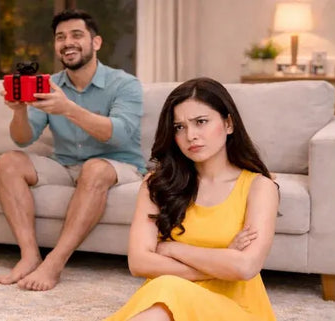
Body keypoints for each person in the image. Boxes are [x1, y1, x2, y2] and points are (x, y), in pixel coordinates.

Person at [0, 9, 145, 291]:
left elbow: (120, 134)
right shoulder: (50, 86)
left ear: (96, 42)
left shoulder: (124, 84)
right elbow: (23, 140)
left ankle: (54, 263)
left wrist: (69, 109)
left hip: (116, 163)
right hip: (65, 165)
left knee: (95, 168)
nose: (67, 42)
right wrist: (19, 112)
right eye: (60, 37)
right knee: (9, 161)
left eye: (76, 35)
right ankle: (29, 256)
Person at [105, 77, 279, 321]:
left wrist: (172, 248)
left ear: (228, 124)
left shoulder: (260, 188)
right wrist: (221, 261)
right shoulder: (157, 185)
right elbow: (139, 262)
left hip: (236, 310)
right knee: (165, 293)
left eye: (201, 122)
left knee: (168, 288)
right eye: (179, 127)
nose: (191, 136)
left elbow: (245, 267)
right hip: (164, 302)